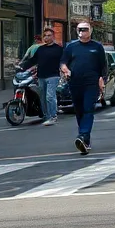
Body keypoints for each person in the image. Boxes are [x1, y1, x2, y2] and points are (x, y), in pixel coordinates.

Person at [60, 22, 108, 154]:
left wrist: (102, 79)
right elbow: (63, 63)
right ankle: (85, 140)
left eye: (85, 29)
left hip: (91, 83)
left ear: (90, 31)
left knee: (88, 109)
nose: (82, 32)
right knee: (79, 110)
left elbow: (103, 65)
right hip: (75, 82)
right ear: (77, 31)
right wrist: (66, 71)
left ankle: (82, 135)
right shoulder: (71, 47)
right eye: (80, 29)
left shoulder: (97, 47)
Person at [19, 27, 64, 125]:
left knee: (50, 96)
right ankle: (46, 115)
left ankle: (53, 116)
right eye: (45, 36)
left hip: (53, 76)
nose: (46, 38)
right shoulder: (40, 49)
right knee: (43, 97)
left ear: (53, 36)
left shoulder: (59, 49)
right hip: (41, 76)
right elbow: (33, 60)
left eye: (49, 35)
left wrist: (66, 70)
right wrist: (22, 66)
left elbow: (65, 61)